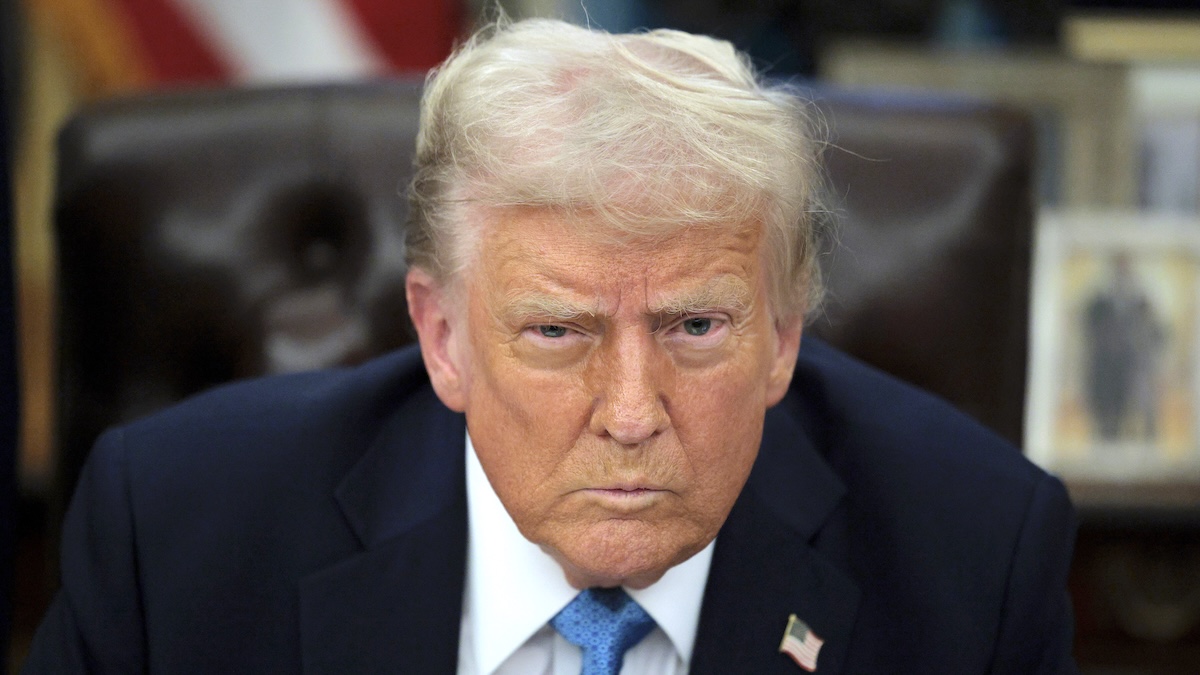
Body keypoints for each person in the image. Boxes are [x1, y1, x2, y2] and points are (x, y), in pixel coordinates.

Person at [24, 18, 1077, 674]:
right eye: (558, 332)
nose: (630, 412)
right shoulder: (177, 537)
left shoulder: (973, 560)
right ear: (442, 337)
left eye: (696, 327)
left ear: (783, 334)